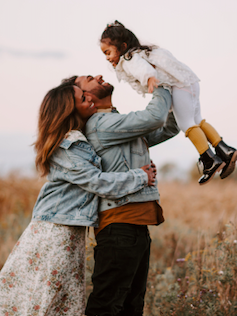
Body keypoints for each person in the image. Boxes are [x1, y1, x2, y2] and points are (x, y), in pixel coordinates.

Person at [0, 82, 158, 316]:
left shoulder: (82, 138)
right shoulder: (67, 146)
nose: (89, 99)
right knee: (41, 296)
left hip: (69, 232)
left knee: (58, 298)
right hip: (55, 232)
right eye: (82, 98)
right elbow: (96, 181)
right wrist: (140, 176)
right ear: (70, 109)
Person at [68, 74, 179, 315]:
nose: (98, 76)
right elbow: (154, 117)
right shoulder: (100, 124)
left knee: (131, 306)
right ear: (86, 97)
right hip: (119, 227)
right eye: (89, 79)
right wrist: (161, 84)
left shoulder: (116, 124)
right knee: (106, 307)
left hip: (134, 226)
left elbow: (168, 126)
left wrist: (182, 95)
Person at [99, 20, 237, 185]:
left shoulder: (129, 59)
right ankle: (225, 150)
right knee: (198, 121)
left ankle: (209, 159)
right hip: (189, 82)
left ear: (122, 46)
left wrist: (150, 78)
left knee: (186, 124)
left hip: (178, 87)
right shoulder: (143, 52)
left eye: (108, 52)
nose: (107, 58)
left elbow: (141, 69)